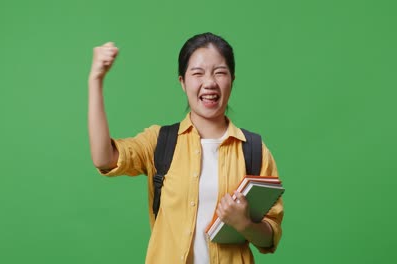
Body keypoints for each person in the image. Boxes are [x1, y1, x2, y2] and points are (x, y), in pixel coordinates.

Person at [88, 32, 284, 264]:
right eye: (197, 73)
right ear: (182, 82)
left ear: (232, 78)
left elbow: (269, 237)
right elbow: (104, 159)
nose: (209, 83)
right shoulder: (160, 142)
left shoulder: (253, 150)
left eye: (220, 72)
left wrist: (245, 225)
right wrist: (96, 80)